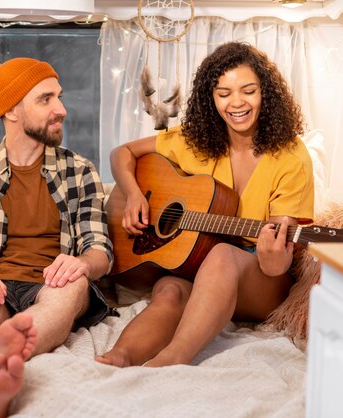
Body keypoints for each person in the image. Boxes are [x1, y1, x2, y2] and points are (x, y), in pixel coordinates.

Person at [97, 42, 314, 368]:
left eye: (248, 91)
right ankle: (119, 358)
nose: (236, 102)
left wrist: (273, 259)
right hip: (198, 265)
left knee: (223, 255)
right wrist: (133, 196)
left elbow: (277, 261)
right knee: (169, 291)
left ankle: (174, 358)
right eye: (223, 93)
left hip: (263, 277)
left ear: (264, 94)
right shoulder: (194, 140)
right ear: (209, 98)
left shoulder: (291, 154)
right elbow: (122, 153)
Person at [0, 57, 113, 417]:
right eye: (45, 99)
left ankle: (0, 360)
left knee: (72, 285)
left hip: (52, 282)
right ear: (12, 111)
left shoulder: (80, 171)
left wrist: (80, 263)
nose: (60, 109)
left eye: (58, 97)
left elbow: (100, 251)